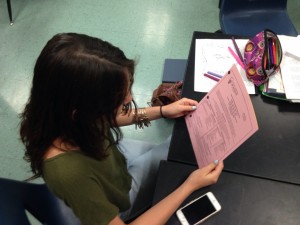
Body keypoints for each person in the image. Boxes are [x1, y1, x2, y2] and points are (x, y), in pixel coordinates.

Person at [20, 33, 224, 225]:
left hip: (114, 162)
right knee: (179, 154)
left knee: (173, 149)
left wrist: (162, 110)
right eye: (118, 99)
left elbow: (111, 118)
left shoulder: (62, 114)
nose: (129, 99)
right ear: (81, 112)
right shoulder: (69, 173)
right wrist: (189, 187)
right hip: (118, 199)